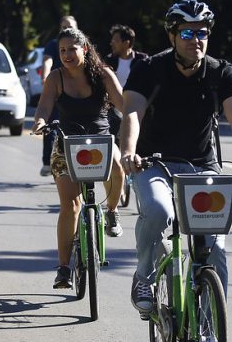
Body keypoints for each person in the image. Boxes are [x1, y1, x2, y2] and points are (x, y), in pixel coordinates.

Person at [120, 0, 232, 314]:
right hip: (153, 164)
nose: (196, 40)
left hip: (202, 167)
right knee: (159, 210)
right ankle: (144, 276)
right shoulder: (149, 70)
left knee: (215, 249)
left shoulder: (222, 72)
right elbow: (132, 113)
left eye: (202, 33)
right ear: (172, 37)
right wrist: (128, 152)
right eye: (187, 34)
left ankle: (210, 335)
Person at [32, 27, 125, 289]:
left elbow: (122, 104)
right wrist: (39, 122)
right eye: (62, 50)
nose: (67, 54)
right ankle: (63, 268)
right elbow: (44, 107)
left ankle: (112, 211)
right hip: (66, 145)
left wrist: (139, 118)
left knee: (118, 166)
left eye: (72, 48)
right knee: (70, 206)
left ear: (84, 49)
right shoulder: (56, 78)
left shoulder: (103, 74)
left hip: (100, 142)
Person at [39, 15, 77, 176]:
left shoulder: (81, 46)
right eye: (64, 27)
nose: (67, 29)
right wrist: (45, 78)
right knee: (51, 126)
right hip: (57, 90)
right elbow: (47, 61)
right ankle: (48, 161)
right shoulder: (53, 45)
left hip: (76, 91)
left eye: (70, 26)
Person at [105, 24, 147, 137]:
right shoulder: (109, 61)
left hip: (137, 109)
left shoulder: (143, 61)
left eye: (116, 40)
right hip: (114, 110)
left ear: (126, 43)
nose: (111, 43)